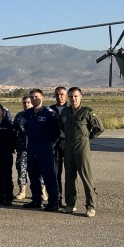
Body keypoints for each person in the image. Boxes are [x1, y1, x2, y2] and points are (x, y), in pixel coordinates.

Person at [59, 87, 104, 217]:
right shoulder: (65, 112)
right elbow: (61, 126)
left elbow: (99, 128)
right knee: (69, 177)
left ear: (80, 97)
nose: (73, 99)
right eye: (71, 96)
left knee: (86, 177)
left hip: (82, 148)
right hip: (68, 148)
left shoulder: (87, 112)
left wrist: (87, 138)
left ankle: (91, 206)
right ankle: (70, 204)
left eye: (76, 96)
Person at [24, 88, 61, 212]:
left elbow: (55, 133)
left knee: (49, 176)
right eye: (32, 97)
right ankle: (36, 200)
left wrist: (49, 145)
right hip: (32, 148)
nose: (34, 99)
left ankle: (53, 202)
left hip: (45, 148)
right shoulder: (28, 113)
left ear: (42, 98)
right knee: (33, 176)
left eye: (36, 96)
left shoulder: (49, 113)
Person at [12, 95, 33, 201]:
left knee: (37, 171)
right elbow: (14, 131)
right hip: (22, 148)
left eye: (28, 102)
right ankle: (22, 190)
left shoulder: (37, 114)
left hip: (35, 148)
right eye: (24, 102)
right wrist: (14, 145)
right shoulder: (19, 116)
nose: (26, 104)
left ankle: (41, 191)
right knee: (21, 169)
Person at [51, 86, 69, 208]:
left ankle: (69, 201)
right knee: (55, 172)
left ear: (66, 95)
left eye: (62, 94)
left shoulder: (71, 109)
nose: (59, 96)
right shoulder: (50, 110)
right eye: (57, 94)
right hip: (55, 144)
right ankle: (57, 199)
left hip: (67, 143)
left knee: (69, 173)